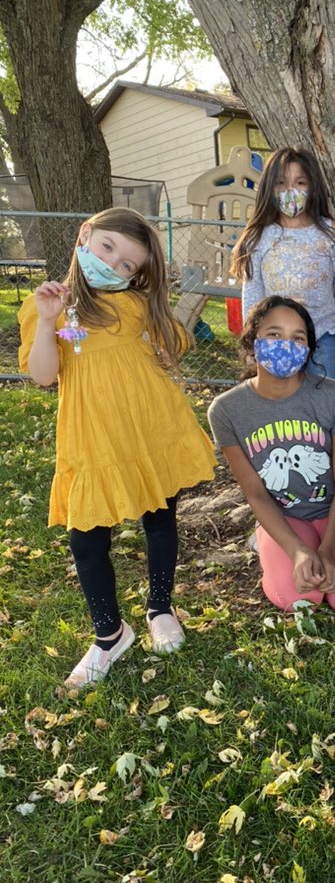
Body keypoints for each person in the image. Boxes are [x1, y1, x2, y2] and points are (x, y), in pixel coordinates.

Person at [19, 207, 217, 688]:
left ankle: (160, 607)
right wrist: (47, 321)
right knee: (86, 540)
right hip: (93, 439)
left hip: (150, 430)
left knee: (160, 519)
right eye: (107, 248)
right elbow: (43, 374)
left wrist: (163, 344)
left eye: (127, 264)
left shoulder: (135, 302)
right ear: (85, 235)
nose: (112, 264)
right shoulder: (49, 306)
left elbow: (173, 343)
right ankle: (109, 634)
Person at [207, 296, 335, 614]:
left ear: (308, 349)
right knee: (301, 599)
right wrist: (298, 551)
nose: (285, 345)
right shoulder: (226, 410)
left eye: (298, 338)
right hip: (284, 520)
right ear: (253, 341)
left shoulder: (333, 396)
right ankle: (269, 542)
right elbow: (255, 494)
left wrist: (328, 550)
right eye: (274, 334)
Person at [229, 147, 335, 385]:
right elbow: (252, 297)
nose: (290, 190)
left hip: (324, 341)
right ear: (269, 188)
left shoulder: (330, 233)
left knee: (328, 404)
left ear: (313, 187)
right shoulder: (259, 237)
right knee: (282, 405)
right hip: (276, 342)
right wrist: (252, 346)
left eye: (300, 182)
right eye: (281, 183)